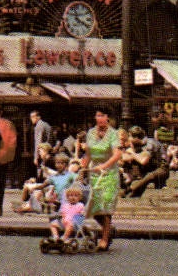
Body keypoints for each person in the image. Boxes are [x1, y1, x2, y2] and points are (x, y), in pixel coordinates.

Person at [81, 107, 122, 251]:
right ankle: (108, 229)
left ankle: (104, 238)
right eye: (97, 115)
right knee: (95, 208)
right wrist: (81, 165)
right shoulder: (91, 133)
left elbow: (117, 155)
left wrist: (104, 165)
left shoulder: (113, 134)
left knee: (105, 207)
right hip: (94, 173)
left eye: (102, 115)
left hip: (109, 173)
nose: (99, 118)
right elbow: (88, 154)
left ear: (108, 118)